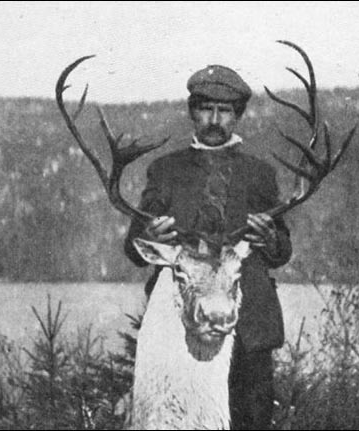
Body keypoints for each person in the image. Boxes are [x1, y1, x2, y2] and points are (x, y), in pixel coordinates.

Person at [124, 64, 292, 430]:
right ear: (192, 112)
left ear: (238, 116)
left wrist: (271, 238)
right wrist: (152, 234)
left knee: (250, 418)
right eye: (206, 109)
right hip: (182, 325)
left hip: (247, 326)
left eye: (225, 111)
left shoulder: (259, 174)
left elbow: (282, 252)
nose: (215, 120)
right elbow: (134, 248)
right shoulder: (166, 171)